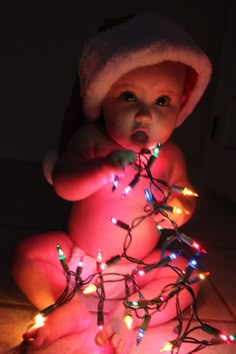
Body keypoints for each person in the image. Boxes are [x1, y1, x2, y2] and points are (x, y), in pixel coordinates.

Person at [12, 12, 212, 354]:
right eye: (129, 97)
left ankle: (132, 313)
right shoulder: (91, 139)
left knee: (188, 276)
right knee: (28, 254)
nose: (145, 115)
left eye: (162, 101)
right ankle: (65, 306)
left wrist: (174, 211)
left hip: (140, 268)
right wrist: (101, 169)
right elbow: (64, 184)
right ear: (102, 98)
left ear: (180, 108)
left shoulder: (171, 155)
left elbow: (184, 196)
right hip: (78, 260)